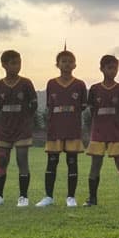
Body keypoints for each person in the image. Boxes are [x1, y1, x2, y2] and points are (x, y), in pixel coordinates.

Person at [36, 48, 87, 207]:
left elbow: (83, 106)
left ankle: (71, 197)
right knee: (52, 162)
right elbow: (50, 106)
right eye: (63, 61)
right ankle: (48, 197)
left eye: (70, 61)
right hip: (55, 128)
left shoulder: (80, 84)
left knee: (72, 162)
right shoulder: (51, 83)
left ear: (75, 65)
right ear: (57, 64)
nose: (67, 64)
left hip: (72, 128)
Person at [0, 50, 37, 207]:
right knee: (2, 160)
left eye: (19, 63)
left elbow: (34, 105)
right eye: (13, 63)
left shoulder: (26, 83)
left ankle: (23, 197)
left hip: (22, 129)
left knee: (22, 160)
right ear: (4, 65)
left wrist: (25, 119)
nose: (17, 66)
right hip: (4, 129)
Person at [84, 55, 119, 207]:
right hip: (98, 133)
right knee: (95, 165)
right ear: (102, 69)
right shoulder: (94, 89)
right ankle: (92, 199)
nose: (113, 71)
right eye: (109, 68)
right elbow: (91, 111)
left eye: (115, 68)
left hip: (116, 134)